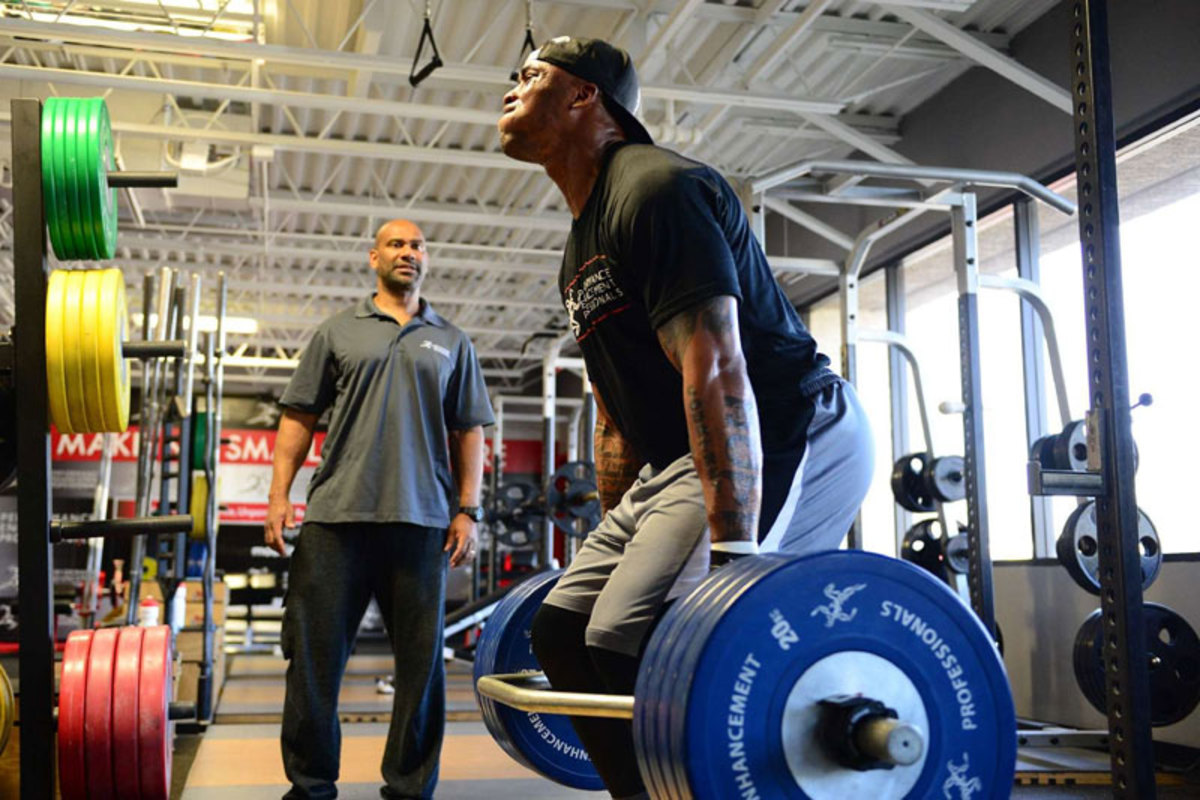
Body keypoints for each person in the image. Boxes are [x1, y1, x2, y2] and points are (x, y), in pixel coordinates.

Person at [497, 37, 874, 799]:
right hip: (675, 465)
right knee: (563, 632)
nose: (510, 89)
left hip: (782, 427)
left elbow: (717, 364)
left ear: (585, 96)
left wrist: (732, 558)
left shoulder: (656, 189)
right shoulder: (579, 247)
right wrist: (617, 533)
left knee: (635, 635)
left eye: (530, 75)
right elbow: (615, 412)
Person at [265, 218, 495, 800]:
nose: (407, 252)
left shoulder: (452, 340)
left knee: (422, 670)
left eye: (417, 245)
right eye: (396, 244)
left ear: (426, 258)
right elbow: (298, 416)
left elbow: (470, 429)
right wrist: (278, 496)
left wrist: (468, 509)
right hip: (335, 520)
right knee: (312, 663)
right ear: (374, 257)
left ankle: (409, 789)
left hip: (421, 523)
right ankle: (311, 787)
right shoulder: (338, 331)